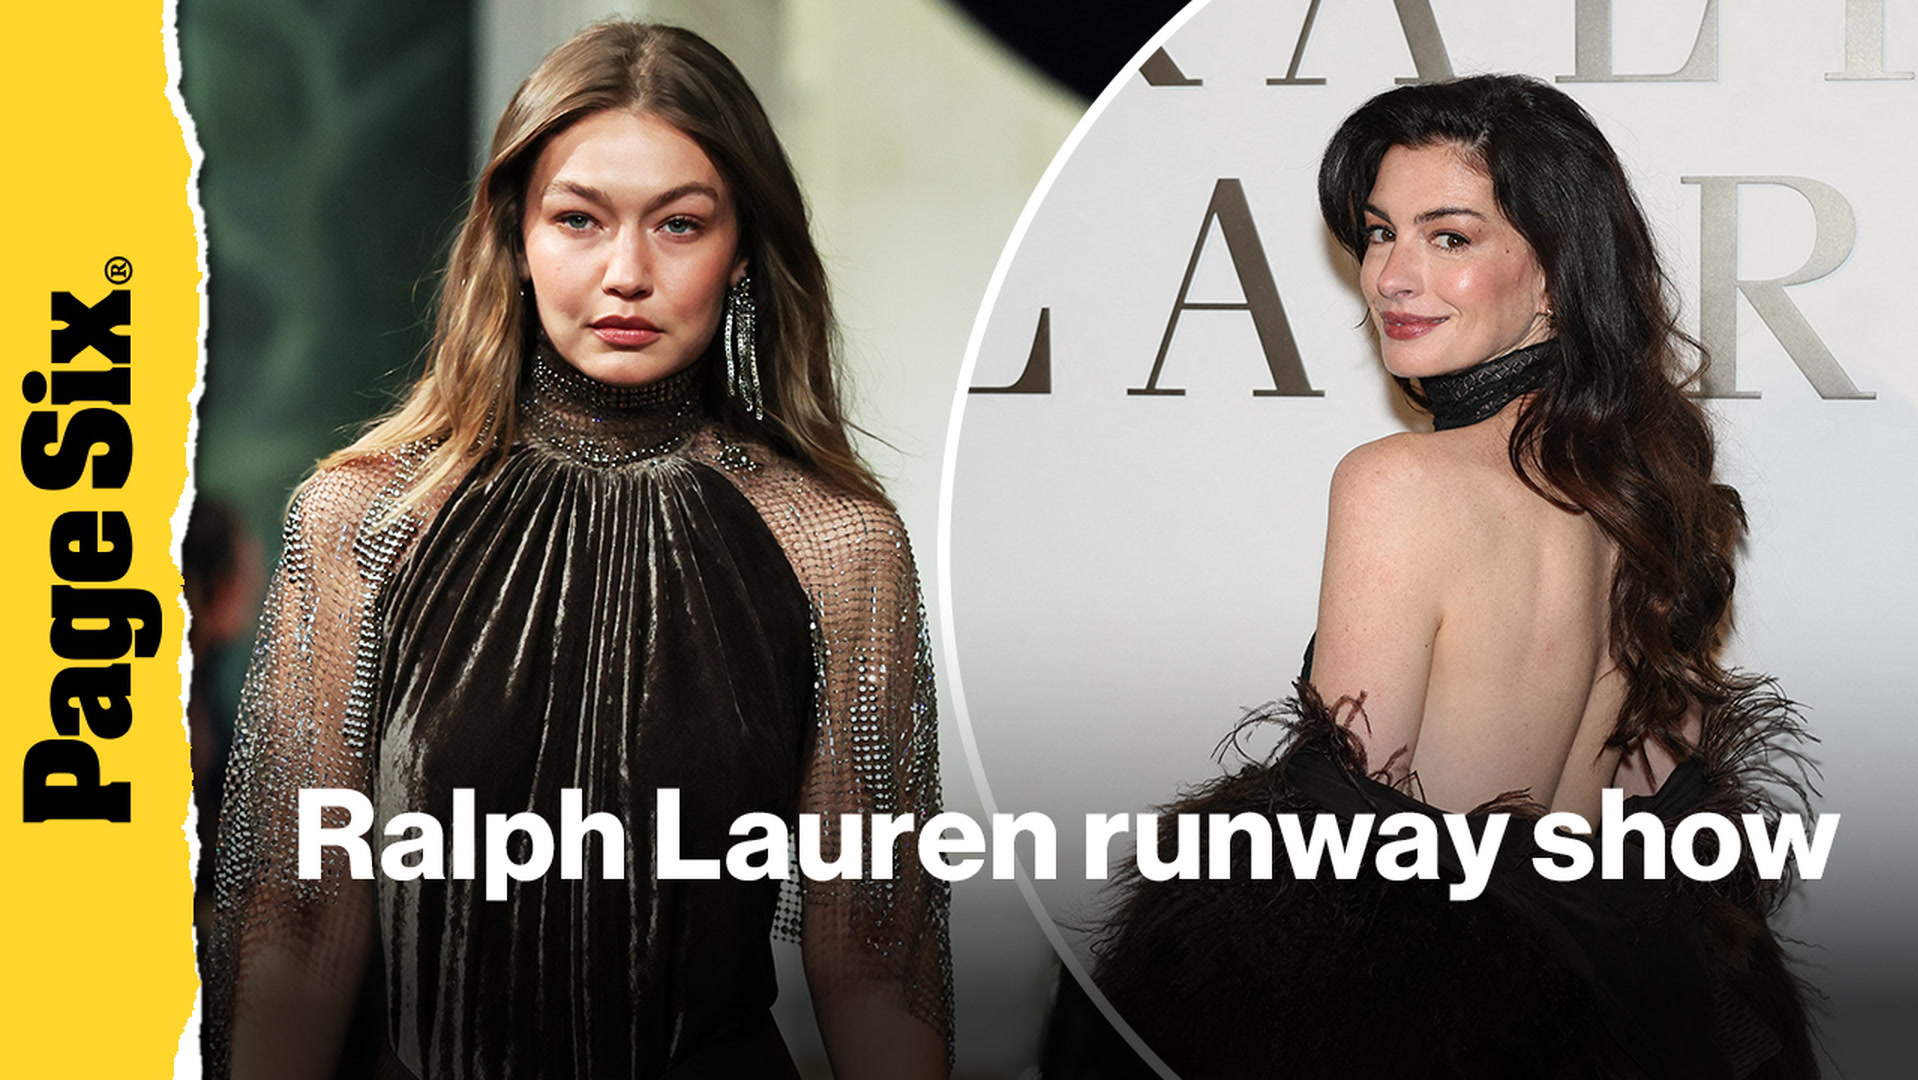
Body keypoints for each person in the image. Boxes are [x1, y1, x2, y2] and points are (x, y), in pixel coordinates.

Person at [201, 21, 949, 1080]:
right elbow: (298, 925)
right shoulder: (364, 519)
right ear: (514, 237)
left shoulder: (836, 545)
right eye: (579, 220)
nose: (626, 273)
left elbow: (876, 961)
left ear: (742, 251)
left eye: (680, 224)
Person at [1044, 75, 1817, 1078]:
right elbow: (1661, 808)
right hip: (1618, 1022)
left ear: (1556, 276)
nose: (1392, 277)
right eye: (1379, 233)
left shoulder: (1396, 481)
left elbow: (1345, 818)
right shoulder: (1653, 496)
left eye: (1449, 237)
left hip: (1415, 1023)